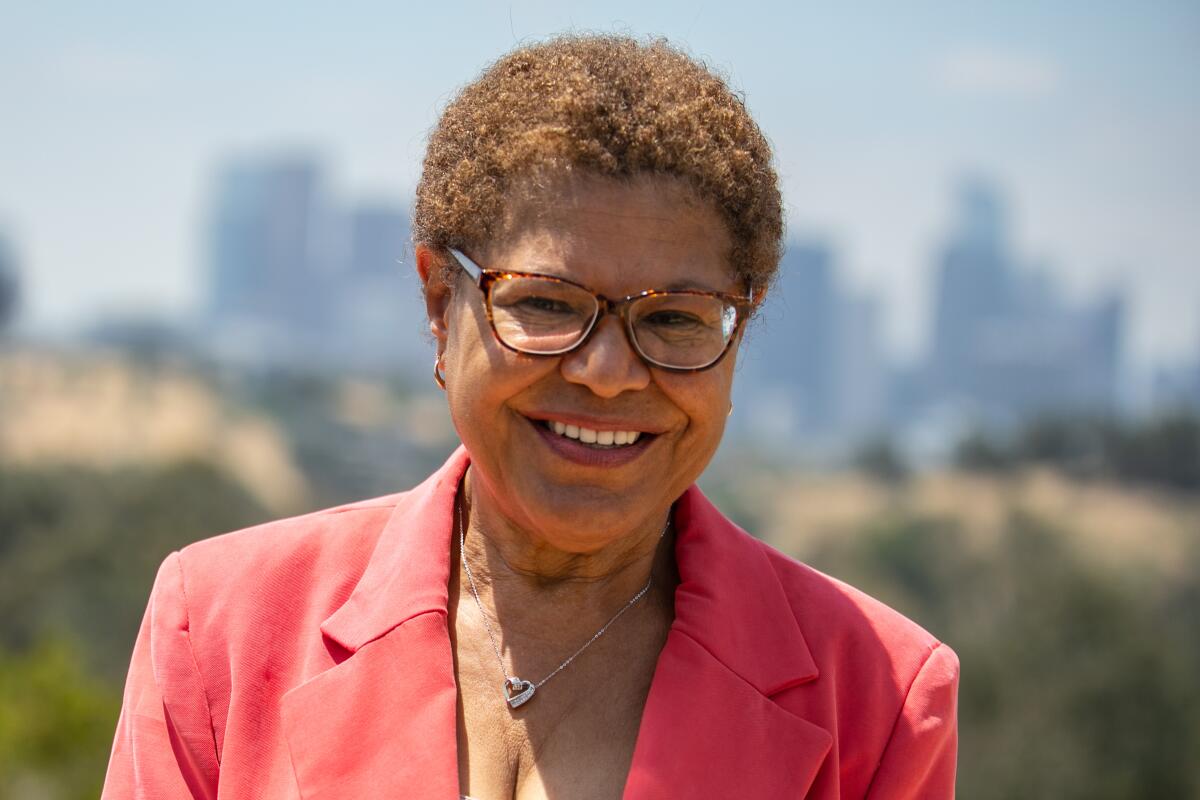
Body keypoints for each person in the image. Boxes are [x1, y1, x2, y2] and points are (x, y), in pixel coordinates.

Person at [102, 34, 958, 799]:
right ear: (441, 302)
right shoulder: (216, 626)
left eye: (674, 319)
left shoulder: (879, 701)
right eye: (547, 305)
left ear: (743, 325)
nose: (610, 374)